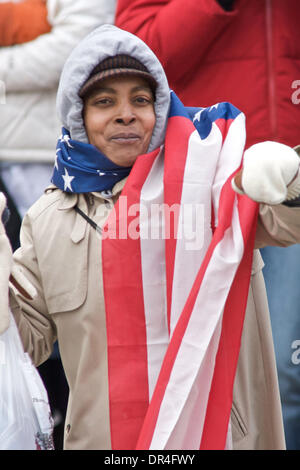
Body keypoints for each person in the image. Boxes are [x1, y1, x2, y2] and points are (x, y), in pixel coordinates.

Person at [1, 24, 300, 450]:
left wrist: (289, 182)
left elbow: (286, 224)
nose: (126, 114)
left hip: (216, 440)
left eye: (140, 100)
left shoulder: (214, 183)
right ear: (77, 116)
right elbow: (25, 343)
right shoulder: (46, 219)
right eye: (105, 102)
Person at [115, 0, 300, 449]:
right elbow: (138, 57)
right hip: (209, 183)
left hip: (294, 179)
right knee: (257, 370)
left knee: (289, 373)